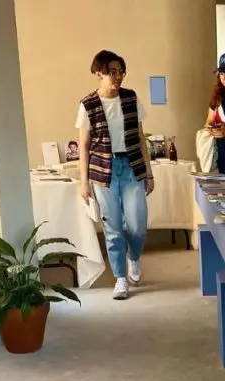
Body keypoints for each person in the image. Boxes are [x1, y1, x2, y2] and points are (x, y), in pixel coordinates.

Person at [75, 49, 154, 300]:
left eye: (121, 71)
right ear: (98, 73)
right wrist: (83, 182)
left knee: (138, 224)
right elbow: (84, 146)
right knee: (113, 226)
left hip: (132, 168)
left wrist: (149, 173)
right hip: (103, 172)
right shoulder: (88, 104)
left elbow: (141, 138)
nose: (117, 76)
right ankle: (120, 278)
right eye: (112, 72)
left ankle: (134, 258)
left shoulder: (131, 98)